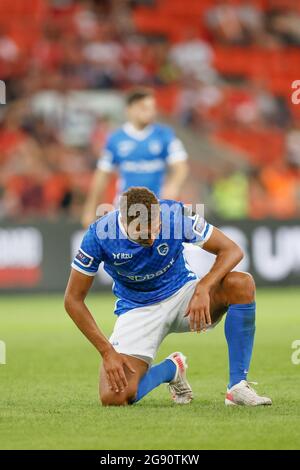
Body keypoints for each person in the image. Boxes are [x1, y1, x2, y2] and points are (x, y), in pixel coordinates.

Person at [65, 186, 272, 407]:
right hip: (138, 308)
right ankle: (172, 369)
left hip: (185, 296)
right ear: (123, 223)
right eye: (143, 235)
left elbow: (232, 250)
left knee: (241, 284)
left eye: (156, 228)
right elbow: (73, 300)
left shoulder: (175, 215)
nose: (153, 238)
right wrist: (107, 352)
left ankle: (237, 387)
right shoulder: (99, 235)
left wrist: (203, 287)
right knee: (114, 398)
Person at [81, 88, 189, 227]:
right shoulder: (115, 139)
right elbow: (101, 175)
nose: (151, 112)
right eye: (144, 108)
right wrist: (90, 208)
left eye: (152, 108)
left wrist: (173, 185)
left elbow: (181, 167)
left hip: (158, 205)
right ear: (130, 110)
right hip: (125, 207)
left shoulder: (165, 135)